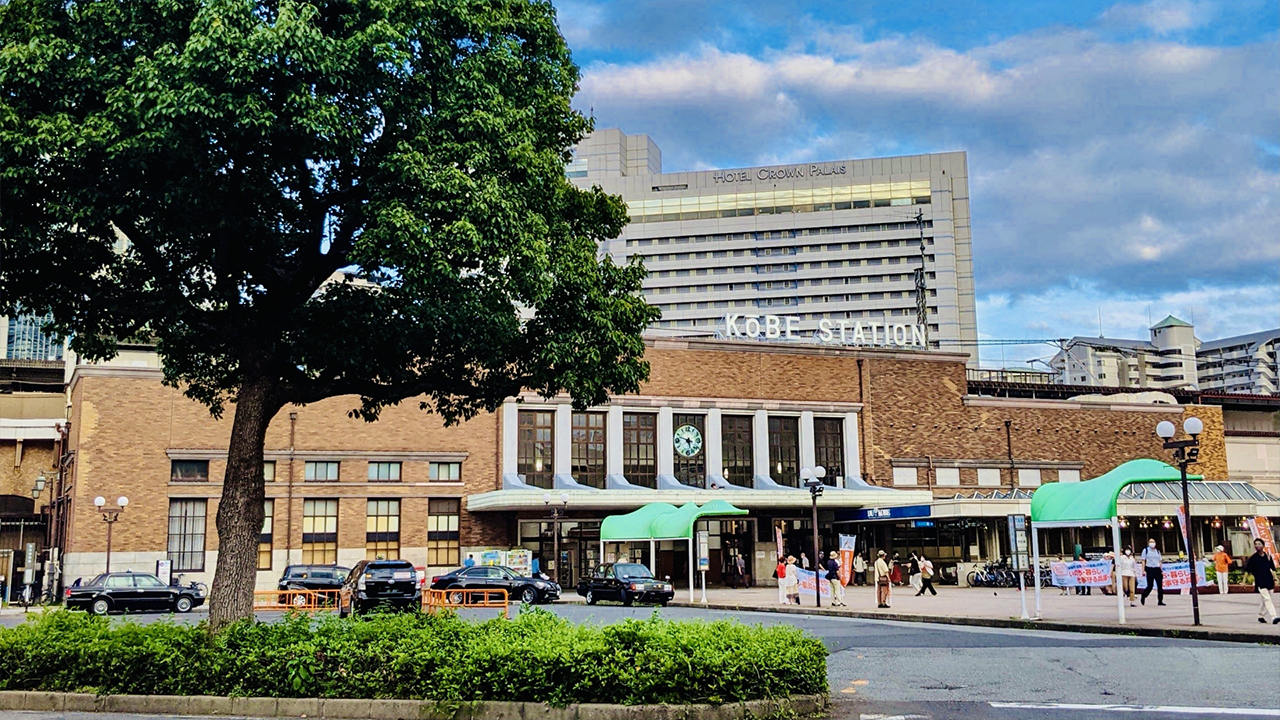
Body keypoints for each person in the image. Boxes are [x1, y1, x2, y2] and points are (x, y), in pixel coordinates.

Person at [1244, 538, 1279, 625]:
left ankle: (1260, 615)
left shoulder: (1267, 556)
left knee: (1266, 599)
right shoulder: (1253, 558)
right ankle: (1274, 617)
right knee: (1267, 599)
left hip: (1269, 580)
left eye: (1259, 544)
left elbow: (1272, 569)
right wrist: (1244, 581)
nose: (1257, 545)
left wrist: (1275, 578)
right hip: (1260, 581)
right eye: (1255, 544)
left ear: (1263, 546)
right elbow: (1247, 570)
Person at [1140, 538, 1165, 606]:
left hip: (1157, 569)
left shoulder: (1157, 551)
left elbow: (1160, 561)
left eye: (1153, 542)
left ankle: (1160, 600)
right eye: (1151, 542)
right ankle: (1144, 595)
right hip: (1149, 569)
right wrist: (1143, 570)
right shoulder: (1146, 550)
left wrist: (1161, 570)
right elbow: (1143, 560)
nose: (1152, 543)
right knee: (1150, 586)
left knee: (1160, 586)